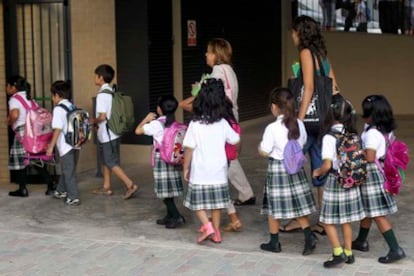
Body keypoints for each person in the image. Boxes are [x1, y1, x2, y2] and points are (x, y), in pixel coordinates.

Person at [180, 38, 254, 232]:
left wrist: (196, 94)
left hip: (217, 120)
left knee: (218, 169)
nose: (206, 55)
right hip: (229, 120)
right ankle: (233, 212)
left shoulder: (217, 72)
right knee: (227, 162)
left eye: (208, 51)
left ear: (216, 53)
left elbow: (213, 96)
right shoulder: (230, 71)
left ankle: (227, 217)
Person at [281, 15, 340, 235]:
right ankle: (325, 221)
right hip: (324, 122)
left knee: (291, 164)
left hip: (309, 121)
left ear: (299, 32)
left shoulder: (305, 53)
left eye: (293, 32)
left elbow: (308, 87)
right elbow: (334, 86)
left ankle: (300, 218)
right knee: (320, 169)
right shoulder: (322, 55)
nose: (292, 35)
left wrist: (299, 120)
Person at [258, 87, 317, 255]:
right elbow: (303, 142)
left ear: (275, 107)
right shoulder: (299, 123)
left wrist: (261, 149)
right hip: (295, 168)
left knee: (273, 207)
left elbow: (264, 150)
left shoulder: (272, 128)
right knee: (298, 205)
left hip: (278, 169)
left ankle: (274, 242)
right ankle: (309, 236)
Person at [182, 78, 240, 244]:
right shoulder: (222, 123)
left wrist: (186, 167)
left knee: (196, 203)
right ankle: (216, 233)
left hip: (200, 170)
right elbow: (235, 139)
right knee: (216, 205)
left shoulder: (195, 124)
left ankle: (207, 226)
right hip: (219, 170)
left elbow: (189, 149)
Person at [351, 95, 406, 264]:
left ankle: (395, 249)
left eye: (365, 112)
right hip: (379, 172)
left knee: (378, 214)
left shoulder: (372, 133)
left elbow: (369, 157)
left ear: (372, 115)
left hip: (371, 174)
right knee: (369, 209)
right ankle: (361, 241)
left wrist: (352, 152)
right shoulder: (384, 129)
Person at [312, 96, 366, 267]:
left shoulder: (329, 137)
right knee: (346, 219)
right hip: (350, 181)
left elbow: (327, 165)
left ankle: (337, 252)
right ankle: (349, 252)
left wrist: (317, 171)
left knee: (327, 220)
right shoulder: (352, 133)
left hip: (336, 181)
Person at [135, 95, 185, 229]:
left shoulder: (156, 124)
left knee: (164, 190)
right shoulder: (174, 123)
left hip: (161, 159)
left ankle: (176, 216)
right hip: (172, 159)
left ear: (160, 109)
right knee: (169, 189)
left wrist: (146, 119)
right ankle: (169, 215)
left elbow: (138, 131)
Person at [91, 64, 138, 199]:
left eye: (96, 76)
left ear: (100, 77)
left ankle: (130, 185)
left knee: (110, 161)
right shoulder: (112, 91)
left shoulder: (102, 95)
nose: (94, 78)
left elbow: (102, 117)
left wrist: (91, 121)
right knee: (108, 160)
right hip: (114, 132)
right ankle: (106, 186)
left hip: (107, 134)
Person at [6, 75, 55, 197]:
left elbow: (15, 115)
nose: (6, 88)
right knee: (34, 159)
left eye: (7, 86)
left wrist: (8, 121)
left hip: (23, 132)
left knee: (20, 161)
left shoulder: (14, 99)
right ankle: (51, 184)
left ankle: (22, 189)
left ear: (13, 87)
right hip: (35, 132)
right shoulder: (29, 98)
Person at [46, 81, 81, 206]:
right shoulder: (72, 106)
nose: (52, 98)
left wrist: (50, 147)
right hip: (76, 144)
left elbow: (57, 129)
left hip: (66, 146)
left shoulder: (58, 109)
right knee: (68, 169)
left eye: (52, 95)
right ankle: (60, 191)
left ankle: (73, 197)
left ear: (56, 95)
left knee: (68, 171)